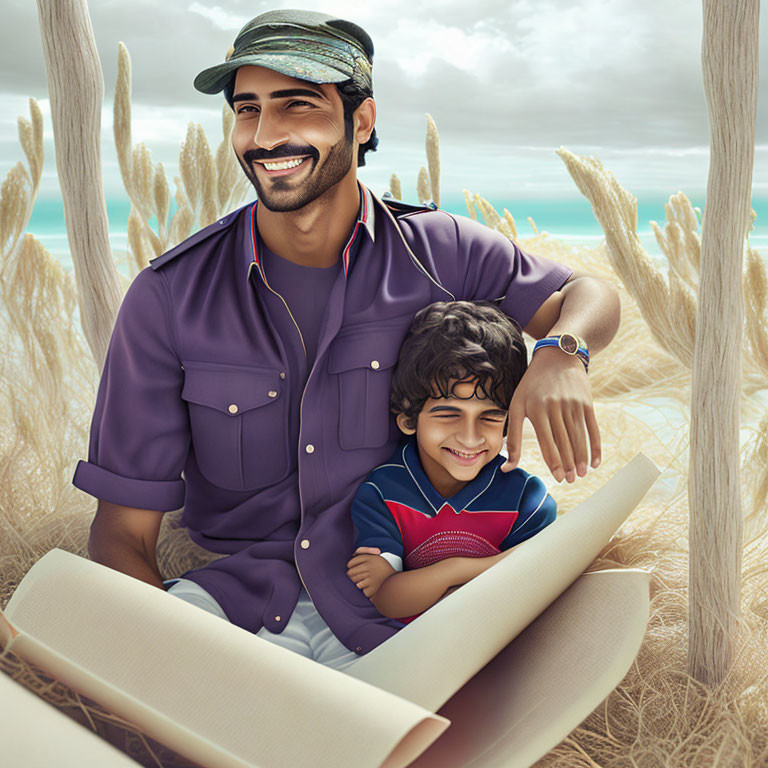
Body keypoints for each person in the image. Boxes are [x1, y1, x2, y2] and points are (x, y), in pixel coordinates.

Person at [73, 10, 620, 666]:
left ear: (360, 123)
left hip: (400, 613)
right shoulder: (168, 296)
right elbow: (120, 537)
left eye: (297, 106)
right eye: (247, 110)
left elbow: (590, 298)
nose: (265, 135)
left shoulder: (440, 252)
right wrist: (184, 668)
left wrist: (562, 353)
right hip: (232, 612)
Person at [347, 301, 556, 621]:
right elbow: (390, 600)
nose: (470, 438)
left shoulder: (528, 500)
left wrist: (448, 573)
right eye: (448, 415)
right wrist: (495, 566)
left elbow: (536, 587)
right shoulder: (382, 492)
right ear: (408, 419)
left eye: (489, 417)